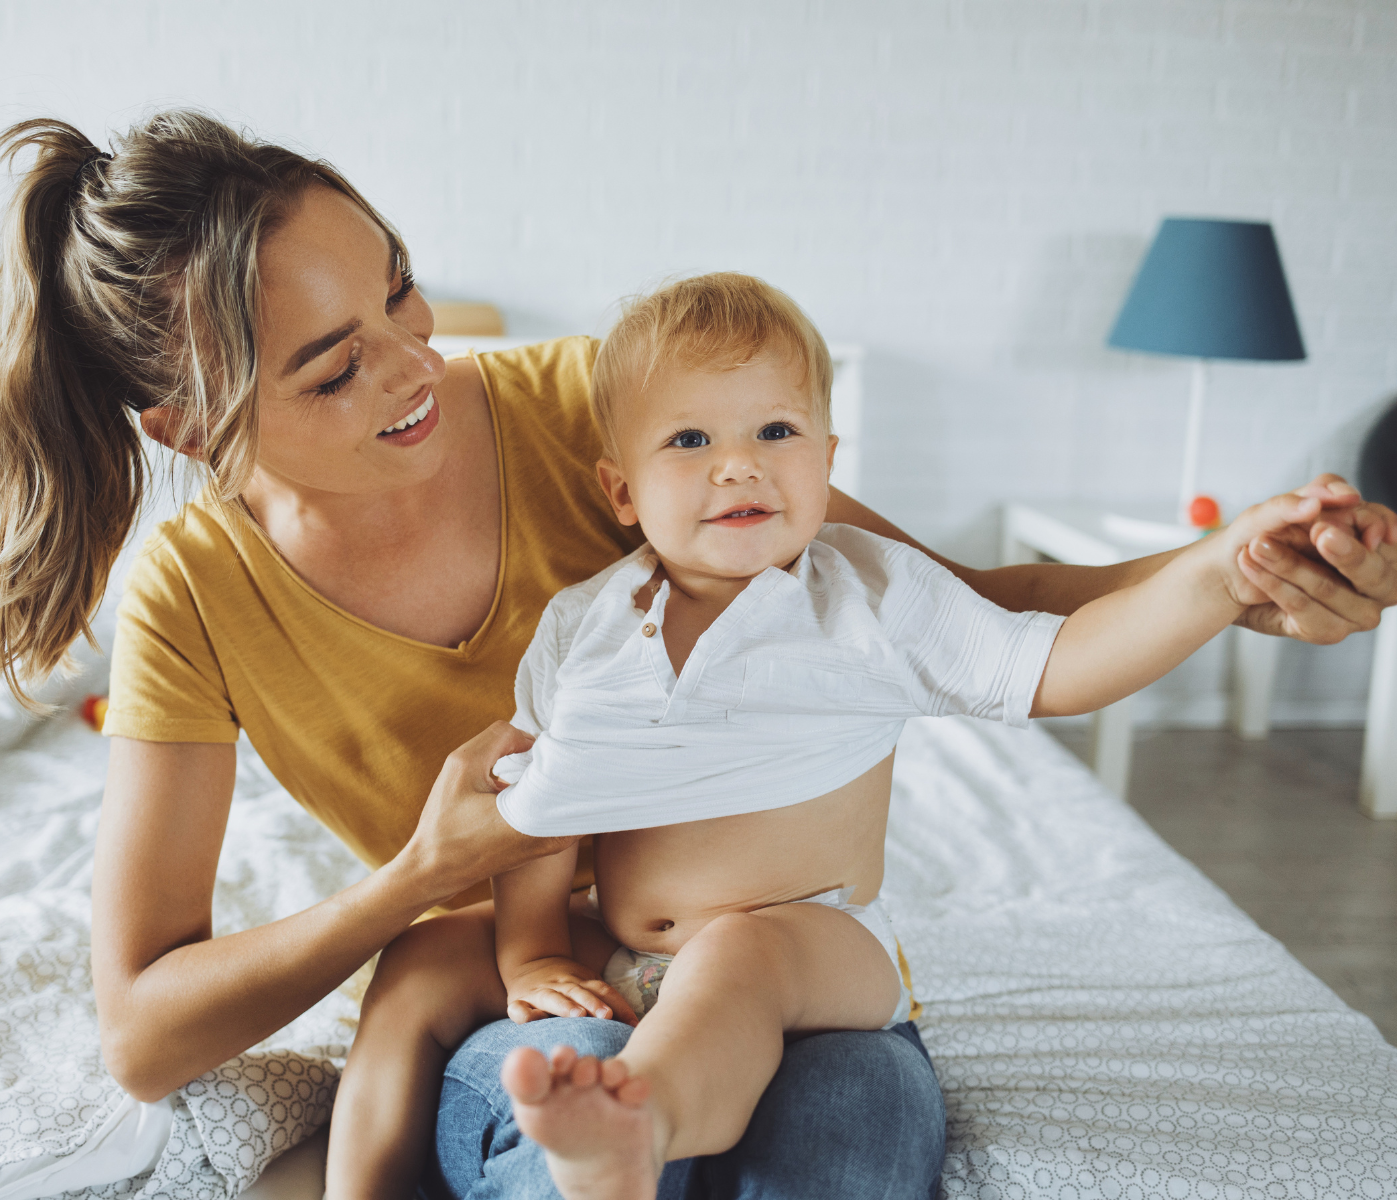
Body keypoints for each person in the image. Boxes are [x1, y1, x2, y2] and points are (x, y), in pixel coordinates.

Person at [0, 110, 1397, 1200]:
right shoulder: (191, 598)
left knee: (860, 1131)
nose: (419, 367)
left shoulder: (610, 408)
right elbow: (143, 1035)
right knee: (518, 1122)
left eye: (404, 292)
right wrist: (419, 883)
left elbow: (963, 601)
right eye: (335, 366)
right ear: (190, 429)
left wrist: (1242, 578)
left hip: (774, 953)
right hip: (521, 984)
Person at [320, 273, 1397, 1200]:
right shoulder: (586, 626)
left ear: (829, 458)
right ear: (619, 489)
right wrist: (536, 952)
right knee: (439, 956)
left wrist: (1210, 577)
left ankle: (637, 1130)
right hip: (635, 955)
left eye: (774, 433)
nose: (736, 466)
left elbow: (1057, 665)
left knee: (742, 950)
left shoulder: (867, 596)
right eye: (689, 439)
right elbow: (545, 809)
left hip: (815, 950)